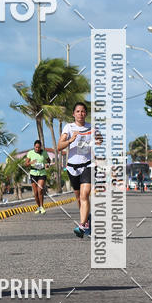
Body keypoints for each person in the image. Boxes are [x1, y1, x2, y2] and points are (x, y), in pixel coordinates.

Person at [57, 101, 102, 238]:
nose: (80, 114)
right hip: (72, 167)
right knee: (79, 198)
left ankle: (82, 225)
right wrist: (71, 140)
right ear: (73, 114)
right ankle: (86, 223)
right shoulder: (69, 128)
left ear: (86, 114)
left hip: (88, 165)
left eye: (83, 111)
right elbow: (59, 146)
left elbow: (99, 139)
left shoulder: (91, 127)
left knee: (85, 194)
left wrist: (98, 139)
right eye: (78, 111)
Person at [24, 140, 50, 214]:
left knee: (40, 190)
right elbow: (25, 164)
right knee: (35, 193)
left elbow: (48, 161)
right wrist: (30, 163)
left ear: (40, 147)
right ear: (34, 147)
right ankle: (38, 207)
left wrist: (48, 165)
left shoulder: (44, 153)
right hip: (33, 173)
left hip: (42, 173)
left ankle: (42, 207)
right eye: (36, 147)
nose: (37, 149)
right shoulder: (30, 153)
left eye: (38, 147)